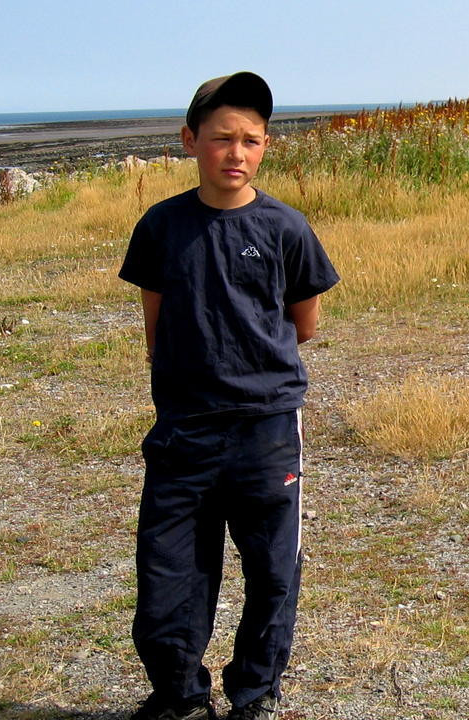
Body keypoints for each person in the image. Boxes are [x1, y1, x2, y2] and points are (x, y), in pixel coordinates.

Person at [119, 71, 340, 720]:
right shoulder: (161, 227)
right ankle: (181, 697)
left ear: (265, 146)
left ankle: (255, 693)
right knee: (168, 575)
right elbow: (156, 324)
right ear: (190, 141)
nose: (236, 153)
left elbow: (303, 325)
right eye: (221, 138)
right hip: (184, 430)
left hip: (265, 430)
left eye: (251, 140)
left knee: (272, 571)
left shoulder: (285, 228)